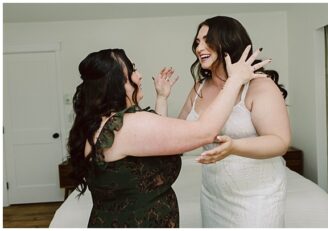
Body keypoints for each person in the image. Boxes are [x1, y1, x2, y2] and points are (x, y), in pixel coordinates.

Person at [67, 48, 265, 227]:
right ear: (117, 82)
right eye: (133, 69)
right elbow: (206, 132)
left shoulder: (99, 123)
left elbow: (156, 146)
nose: (140, 75)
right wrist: (235, 81)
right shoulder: (126, 126)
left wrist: (161, 98)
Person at [165, 16, 291, 227]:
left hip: (257, 197)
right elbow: (179, 136)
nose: (199, 47)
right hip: (213, 195)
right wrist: (162, 98)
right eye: (197, 42)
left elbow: (280, 141)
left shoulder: (260, 87)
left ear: (228, 42)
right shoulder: (199, 88)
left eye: (207, 40)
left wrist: (234, 147)